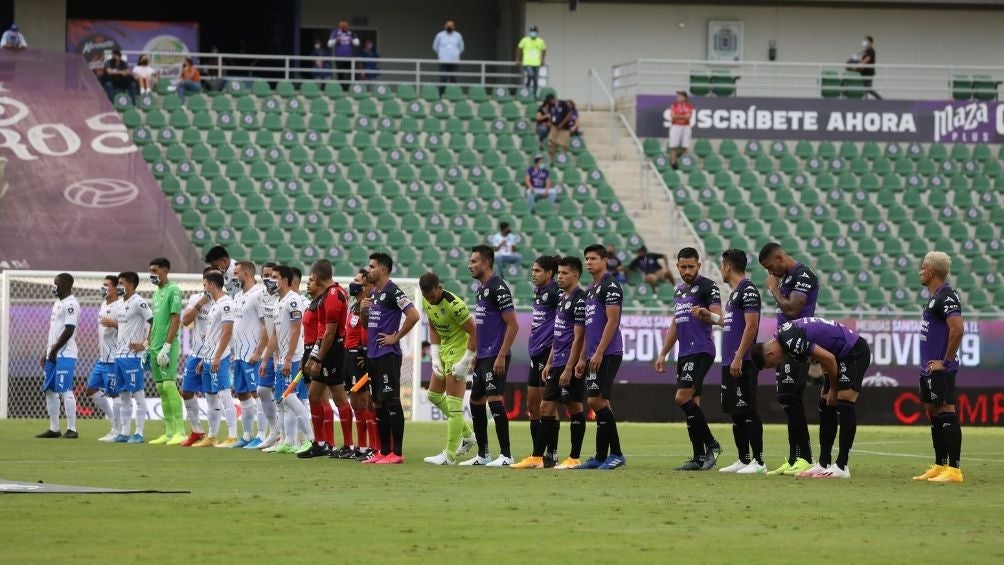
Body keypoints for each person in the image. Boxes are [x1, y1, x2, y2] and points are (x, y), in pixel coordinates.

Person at [751, 317, 872, 479]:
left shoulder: (790, 342)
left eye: (771, 364)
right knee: (824, 404)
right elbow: (823, 353)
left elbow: (828, 357)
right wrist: (828, 383)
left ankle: (842, 466)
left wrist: (834, 389)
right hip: (838, 356)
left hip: (853, 352)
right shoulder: (783, 336)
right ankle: (824, 464)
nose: (776, 366)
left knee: (843, 401)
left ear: (770, 353)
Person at [693, 249, 765, 474]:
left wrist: (738, 356)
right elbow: (733, 324)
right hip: (730, 362)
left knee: (748, 410)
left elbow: (752, 327)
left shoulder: (748, 290)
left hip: (742, 361)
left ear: (727, 267)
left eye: (722, 266)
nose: (721, 271)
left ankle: (759, 462)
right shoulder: (735, 293)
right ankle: (743, 460)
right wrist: (711, 317)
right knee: (736, 413)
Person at [654, 248, 722, 471]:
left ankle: (712, 445)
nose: (687, 271)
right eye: (683, 267)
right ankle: (698, 457)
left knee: (682, 398)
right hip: (684, 353)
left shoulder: (707, 286)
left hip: (701, 350)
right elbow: (676, 322)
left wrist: (706, 314)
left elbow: (719, 318)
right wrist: (664, 352)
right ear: (677, 267)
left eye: (691, 266)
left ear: (699, 266)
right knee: (694, 404)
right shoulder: (679, 291)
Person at [758, 242, 819, 476]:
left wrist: (773, 289)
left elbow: (793, 310)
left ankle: (805, 456)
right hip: (785, 344)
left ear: (780, 258)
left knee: (791, 397)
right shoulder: (785, 278)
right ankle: (795, 458)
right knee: (786, 398)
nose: (769, 273)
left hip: (798, 342)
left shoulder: (803, 274)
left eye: (769, 266)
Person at [461, 245, 520, 466]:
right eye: (470, 261)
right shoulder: (481, 289)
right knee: (476, 401)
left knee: (494, 400)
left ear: (486, 263)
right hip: (484, 355)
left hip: (497, 355)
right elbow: (485, 326)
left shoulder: (498, 287)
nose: (470, 265)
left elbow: (513, 326)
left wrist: (501, 356)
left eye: (474, 261)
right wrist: (476, 353)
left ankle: (506, 455)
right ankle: (483, 455)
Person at [527, 256, 588, 469]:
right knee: (545, 406)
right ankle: (538, 457)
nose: (560, 277)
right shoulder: (562, 298)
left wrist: (571, 366)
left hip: (569, 362)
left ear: (575, 275)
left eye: (564, 273)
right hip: (556, 359)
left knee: (574, 406)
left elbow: (580, 337)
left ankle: (573, 457)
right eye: (559, 273)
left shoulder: (580, 299)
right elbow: (557, 332)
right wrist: (552, 361)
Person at [360, 253, 420, 464]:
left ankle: (397, 452)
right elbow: (368, 326)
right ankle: (383, 451)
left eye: (372, 266)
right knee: (378, 403)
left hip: (388, 355)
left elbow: (414, 315)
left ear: (383, 270)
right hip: (373, 355)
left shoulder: (394, 291)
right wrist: (363, 311)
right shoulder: (375, 293)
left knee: (391, 401)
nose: (368, 270)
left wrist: (396, 336)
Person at [912, 252, 965, 483]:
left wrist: (945, 361)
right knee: (933, 412)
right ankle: (939, 464)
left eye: (923, 267)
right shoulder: (935, 297)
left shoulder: (947, 296)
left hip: (940, 368)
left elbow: (958, 329)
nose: (920, 271)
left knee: (945, 410)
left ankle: (954, 469)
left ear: (932, 271)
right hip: (928, 368)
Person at [574, 244, 626, 469]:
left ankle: (616, 454)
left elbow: (613, 321)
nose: (588, 262)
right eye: (586, 258)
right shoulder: (591, 290)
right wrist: (582, 358)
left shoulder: (611, 285)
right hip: (594, 354)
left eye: (593, 258)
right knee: (600, 402)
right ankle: (600, 456)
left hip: (608, 352)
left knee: (595, 400)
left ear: (604, 261)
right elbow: (588, 328)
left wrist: (599, 352)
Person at [420, 272, 478, 465]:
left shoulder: (455, 305)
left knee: (454, 406)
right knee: (433, 395)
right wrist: (434, 355)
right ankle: (468, 436)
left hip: (458, 354)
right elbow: (434, 327)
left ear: (440, 288)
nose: (430, 300)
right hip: (444, 351)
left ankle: (450, 456)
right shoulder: (427, 300)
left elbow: (474, 331)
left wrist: (466, 360)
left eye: (433, 296)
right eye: (427, 297)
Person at [512, 256, 562, 469]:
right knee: (532, 406)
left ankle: (551, 454)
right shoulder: (539, 292)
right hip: (535, 353)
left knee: (547, 406)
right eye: (532, 270)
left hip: (548, 353)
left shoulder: (555, 292)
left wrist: (554, 351)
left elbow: (563, 321)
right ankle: (537, 454)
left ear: (549, 273)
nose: (533, 273)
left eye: (538, 270)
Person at [300, 260, 351, 459]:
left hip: (334, 351)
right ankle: (320, 443)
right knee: (313, 395)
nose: (311, 279)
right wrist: (314, 357)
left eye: (313, 276)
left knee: (339, 398)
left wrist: (319, 359)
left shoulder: (332, 296)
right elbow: (322, 333)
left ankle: (348, 445)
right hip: (324, 350)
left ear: (319, 276)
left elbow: (330, 333)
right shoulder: (325, 296)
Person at [270, 265, 315, 454]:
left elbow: (297, 330)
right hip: (282, 359)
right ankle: (289, 441)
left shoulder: (294, 301)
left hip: (294, 357)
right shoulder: (277, 302)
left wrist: (288, 359)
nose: (272, 281)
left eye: (275, 278)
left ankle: (312, 440)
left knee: (291, 398)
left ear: (286, 281)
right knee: (284, 400)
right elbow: (277, 334)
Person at [190, 270, 235, 448]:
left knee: (224, 395)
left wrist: (216, 357)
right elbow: (212, 335)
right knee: (210, 397)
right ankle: (213, 436)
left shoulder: (226, 304)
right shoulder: (215, 304)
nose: (204, 288)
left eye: (205, 284)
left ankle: (232, 436)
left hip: (220, 357)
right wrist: (204, 359)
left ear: (211, 284)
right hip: (208, 358)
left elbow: (227, 332)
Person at [226, 261, 268, 448]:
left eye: (236, 274)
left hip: (253, 354)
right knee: (242, 394)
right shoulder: (238, 296)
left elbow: (265, 325)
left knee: (257, 393)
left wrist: (259, 352)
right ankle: (248, 435)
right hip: (239, 355)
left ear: (247, 274)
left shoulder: (259, 295)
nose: (234, 277)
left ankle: (262, 435)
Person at [147, 258, 187, 446]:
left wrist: (168, 345)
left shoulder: (173, 290)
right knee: (161, 388)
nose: (152, 274)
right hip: (155, 346)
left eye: (155, 270)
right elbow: (155, 322)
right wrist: (148, 344)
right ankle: (170, 432)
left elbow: (176, 319)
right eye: (150, 271)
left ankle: (181, 431)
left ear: (165, 270)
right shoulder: (156, 293)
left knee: (170, 386)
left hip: (166, 346)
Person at [341, 270, 379, 460]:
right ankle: (362, 446)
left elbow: (368, 331)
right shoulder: (354, 306)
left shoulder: (369, 306)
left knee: (365, 402)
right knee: (355, 402)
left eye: (357, 281)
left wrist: (365, 352)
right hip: (349, 356)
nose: (352, 283)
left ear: (365, 286)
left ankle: (373, 446)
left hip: (359, 355)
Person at [36, 273, 80, 439]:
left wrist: (54, 351)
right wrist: (47, 352)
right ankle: (54, 429)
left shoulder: (71, 304)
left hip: (65, 353)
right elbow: (54, 332)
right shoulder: (57, 304)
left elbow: (69, 330)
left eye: (56, 284)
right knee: (50, 390)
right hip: (52, 353)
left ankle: (72, 429)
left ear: (65, 285)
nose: (54, 286)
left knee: (65, 388)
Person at [113, 271, 153, 443]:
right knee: (123, 395)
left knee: (138, 394)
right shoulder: (121, 303)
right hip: (119, 355)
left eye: (121, 283)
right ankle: (124, 432)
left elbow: (154, 321)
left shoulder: (139, 302)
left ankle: (139, 433)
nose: (118, 286)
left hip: (133, 356)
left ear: (130, 284)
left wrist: (145, 344)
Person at [178, 268, 216, 447]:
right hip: (196, 353)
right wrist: (201, 303)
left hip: (215, 353)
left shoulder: (225, 300)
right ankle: (197, 430)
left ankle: (213, 434)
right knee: (186, 391)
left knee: (212, 394)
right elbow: (185, 321)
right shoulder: (196, 298)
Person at [90, 275, 123, 442]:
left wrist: (115, 324)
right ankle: (112, 419)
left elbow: (131, 329)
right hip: (102, 358)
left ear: (116, 288)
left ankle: (117, 431)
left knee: (115, 395)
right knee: (91, 389)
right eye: (102, 284)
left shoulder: (121, 307)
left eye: (106, 285)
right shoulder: (103, 304)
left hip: (113, 359)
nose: (103, 288)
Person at [432, 19, 464, 94]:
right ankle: (440, 95)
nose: (449, 27)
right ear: (445, 26)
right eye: (448, 25)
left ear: (454, 27)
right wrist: (441, 54)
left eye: (451, 25)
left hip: (454, 61)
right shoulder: (439, 35)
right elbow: (435, 47)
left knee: (454, 79)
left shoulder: (458, 35)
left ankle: (454, 95)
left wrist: (455, 54)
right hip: (443, 61)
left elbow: (461, 47)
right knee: (443, 79)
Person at [516, 25, 546, 99]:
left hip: (536, 63)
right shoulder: (524, 40)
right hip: (527, 62)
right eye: (532, 31)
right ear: (529, 32)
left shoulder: (540, 41)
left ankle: (534, 95)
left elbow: (544, 50)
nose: (533, 33)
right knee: (530, 75)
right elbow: (518, 49)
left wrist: (542, 60)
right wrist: (517, 59)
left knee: (535, 80)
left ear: (537, 32)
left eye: (534, 31)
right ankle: (527, 88)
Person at [850, 35, 882, 99]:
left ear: (870, 42)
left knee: (868, 88)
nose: (864, 42)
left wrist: (857, 66)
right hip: (864, 72)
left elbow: (867, 60)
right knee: (865, 88)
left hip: (869, 72)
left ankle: (880, 99)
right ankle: (866, 101)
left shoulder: (871, 50)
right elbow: (862, 59)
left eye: (865, 40)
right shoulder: (866, 51)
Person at [328, 21, 360, 85]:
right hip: (339, 57)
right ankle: (341, 88)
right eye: (342, 26)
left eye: (345, 26)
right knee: (340, 74)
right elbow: (329, 44)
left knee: (350, 74)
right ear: (340, 27)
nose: (344, 28)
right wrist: (336, 40)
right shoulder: (336, 32)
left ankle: (349, 87)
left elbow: (357, 43)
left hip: (349, 57)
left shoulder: (351, 33)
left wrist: (352, 40)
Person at [668, 91, 694, 169]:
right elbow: (673, 116)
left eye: (680, 96)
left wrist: (678, 116)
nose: (678, 97)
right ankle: (673, 163)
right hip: (675, 126)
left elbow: (688, 117)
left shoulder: (689, 106)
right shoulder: (674, 105)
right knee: (673, 145)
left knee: (685, 146)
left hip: (685, 126)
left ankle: (685, 163)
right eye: (678, 96)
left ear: (684, 97)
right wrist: (683, 116)